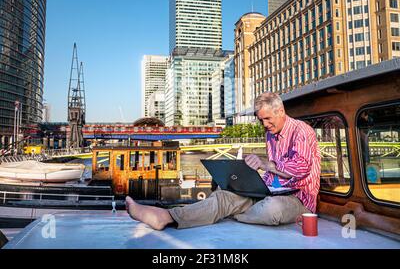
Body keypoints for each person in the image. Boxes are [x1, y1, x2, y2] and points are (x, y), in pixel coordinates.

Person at [125, 92, 321, 230]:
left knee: (272, 209)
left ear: (281, 111)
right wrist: (250, 180)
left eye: (268, 119)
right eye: (261, 120)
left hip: (299, 199)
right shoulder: (271, 134)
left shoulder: (302, 131)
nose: (264, 124)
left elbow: (301, 169)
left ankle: (228, 212)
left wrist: (266, 164)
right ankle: (166, 217)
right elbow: (275, 175)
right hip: (270, 193)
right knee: (222, 197)